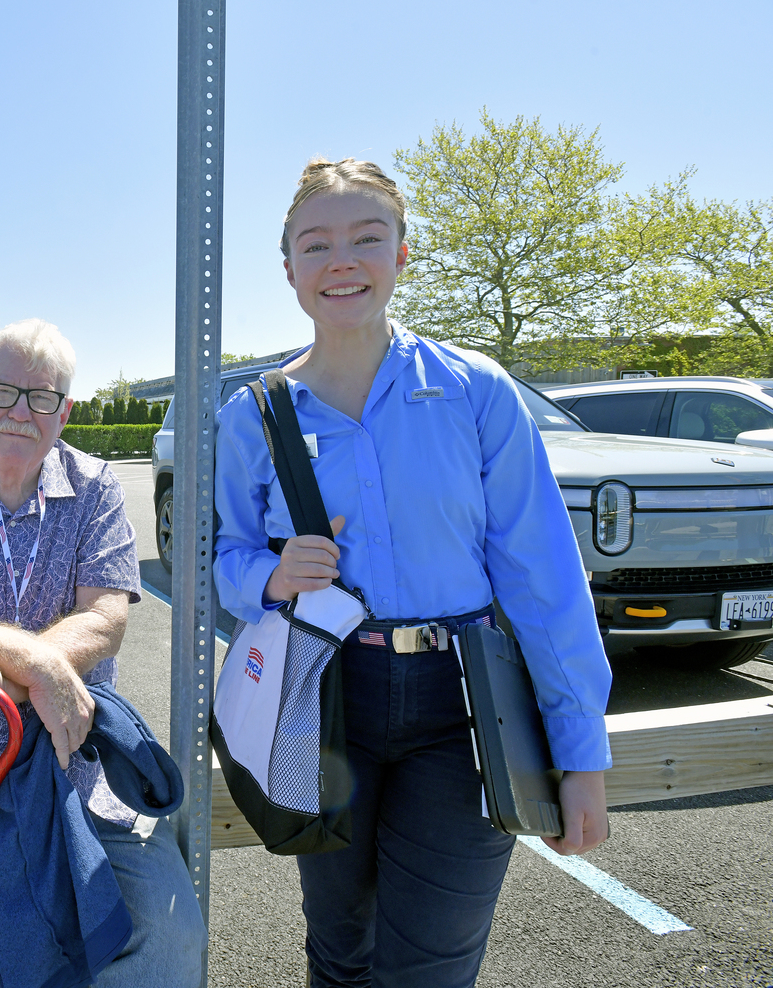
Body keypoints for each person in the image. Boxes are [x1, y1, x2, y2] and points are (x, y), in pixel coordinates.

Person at [213, 158, 613, 988]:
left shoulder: (475, 391)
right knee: (339, 951)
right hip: (321, 701)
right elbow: (221, 562)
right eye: (315, 244)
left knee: (429, 967)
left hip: (464, 708)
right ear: (288, 268)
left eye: (368, 237)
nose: (342, 261)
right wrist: (271, 576)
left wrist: (581, 756)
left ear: (403, 254)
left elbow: (544, 577)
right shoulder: (253, 417)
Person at [0, 319, 207, 988]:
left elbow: (106, 617)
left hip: (74, 763)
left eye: (42, 398)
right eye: (2, 391)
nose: (21, 412)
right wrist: (45, 668)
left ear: (65, 411)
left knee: (170, 942)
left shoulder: (97, 485)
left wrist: (2, 671)